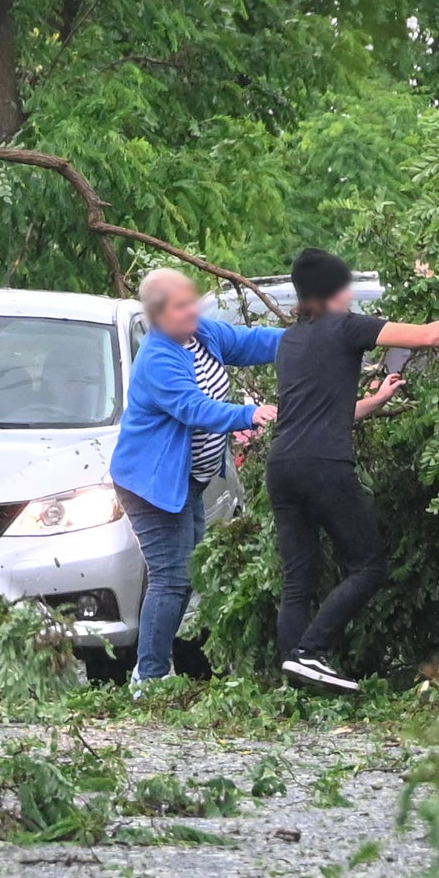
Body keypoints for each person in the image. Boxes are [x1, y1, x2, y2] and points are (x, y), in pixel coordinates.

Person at [262, 246, 439, 697]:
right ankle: (311, 652)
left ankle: (295, 677)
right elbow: (425, 336)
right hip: (324, 465)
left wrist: (377, 400)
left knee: (298, 578)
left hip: (282, 465)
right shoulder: (346, 327)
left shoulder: (290, 341)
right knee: (368, 566)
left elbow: (320, 412)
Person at [110, 268, 280, 687]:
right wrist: (249, 413)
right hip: (152, 486)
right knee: (171, 578)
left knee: (188, 576)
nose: (193, 310)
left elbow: (251, 342)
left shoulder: (202, 335)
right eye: (181, 305)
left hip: (190, 483)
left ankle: (156, 668)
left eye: (193, 301)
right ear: (158, 314)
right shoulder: (159, 357)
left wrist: (307, 340)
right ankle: (148, 677)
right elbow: (194, 408)